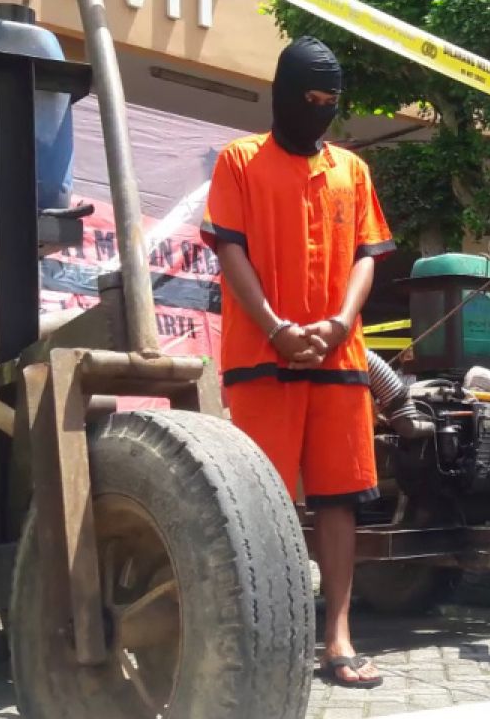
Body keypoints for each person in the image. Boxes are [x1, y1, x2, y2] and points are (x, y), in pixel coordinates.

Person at [201, 36, 396, 688]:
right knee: (266, 502)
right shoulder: (239, 161)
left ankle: (337, 637)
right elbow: (231, 252)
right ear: (281, 94)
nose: (318, 110)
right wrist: (278, 329)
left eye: (328, 102)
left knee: (340, 501)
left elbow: (368, 253)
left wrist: (341, 321)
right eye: (307, 99)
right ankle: (267, 637)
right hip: (264, 359)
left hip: (340, 362)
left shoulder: (353, 169)